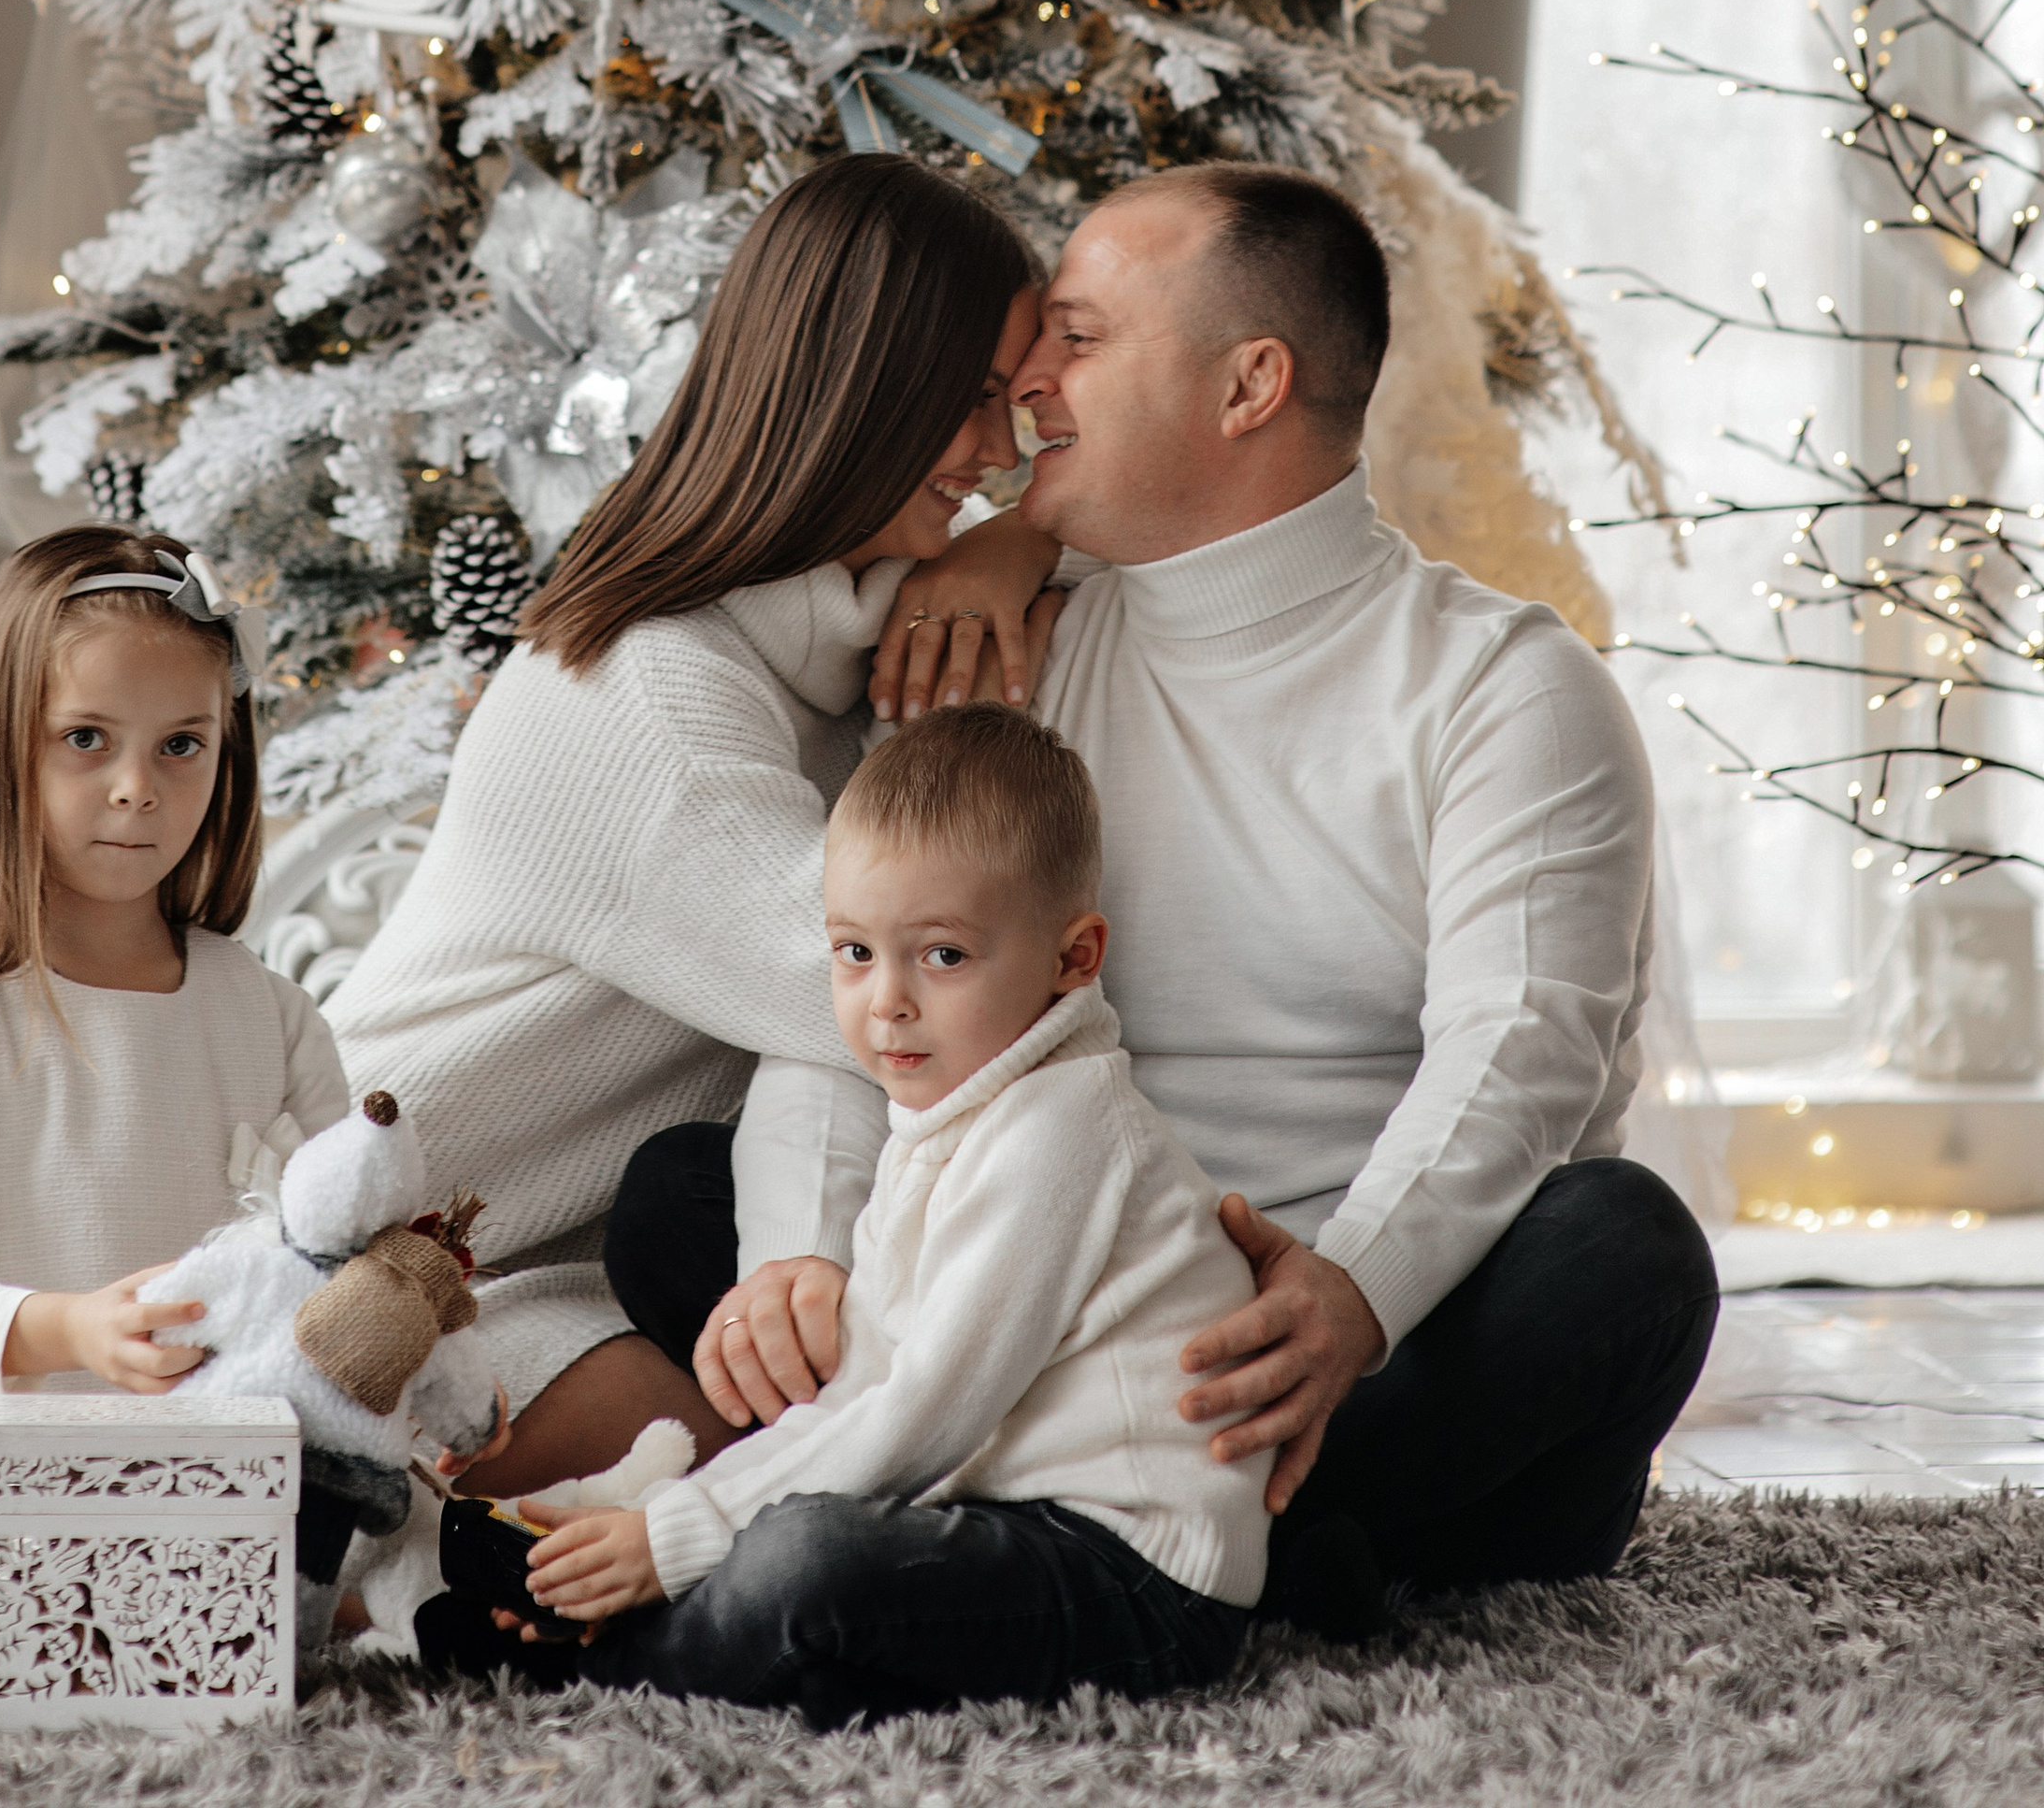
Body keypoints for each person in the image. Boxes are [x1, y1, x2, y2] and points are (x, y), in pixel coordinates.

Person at [607, 162, 1719, 1627]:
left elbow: (1521, 1058)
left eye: (1077, 339)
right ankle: (1211, 1546)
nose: (1025, 390)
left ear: (1250, 383)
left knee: (1622, 1250)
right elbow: (867, 1010)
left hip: (1345, 1338)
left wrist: (1347, 1297)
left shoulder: (1501, 688)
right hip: (1049, 1298)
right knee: (685, 1200)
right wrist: (805, 1257)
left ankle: (1138, 1530)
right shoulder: (1007, 652)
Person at [327, 151, 1044, 1502]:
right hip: (383, 1295)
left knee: (869, 1431)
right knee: (837, 1472)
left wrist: (1031, 537)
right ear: (862, 395)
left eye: (1017, 410)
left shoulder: (845, 635)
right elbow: (907, 1004)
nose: (1003, 455)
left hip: (574, 1261)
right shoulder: (651, 708)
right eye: (975, 403)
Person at [418, 708, 1265, 1726]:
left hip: (1135, 1573)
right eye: (853, 950)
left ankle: (610, 1660)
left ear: (1073, 955)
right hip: (998, 1512)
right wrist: (649, 1520)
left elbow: (924, 1409)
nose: (887, 1000)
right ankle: (717, 1639)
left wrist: (677, 1540)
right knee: (799, 1559)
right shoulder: (943, 1111)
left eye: (942, 955)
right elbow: (859, 1383)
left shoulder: (1061, 1132)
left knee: (810, 1557)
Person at [0, 526, 350, 1459]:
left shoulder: (269, 1015)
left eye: (181, 744)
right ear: (6, 749)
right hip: (6, 1484)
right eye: (86, 738)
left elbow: (353, 1241)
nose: (136, 788)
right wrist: (71, 1327)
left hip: (228, 1481)